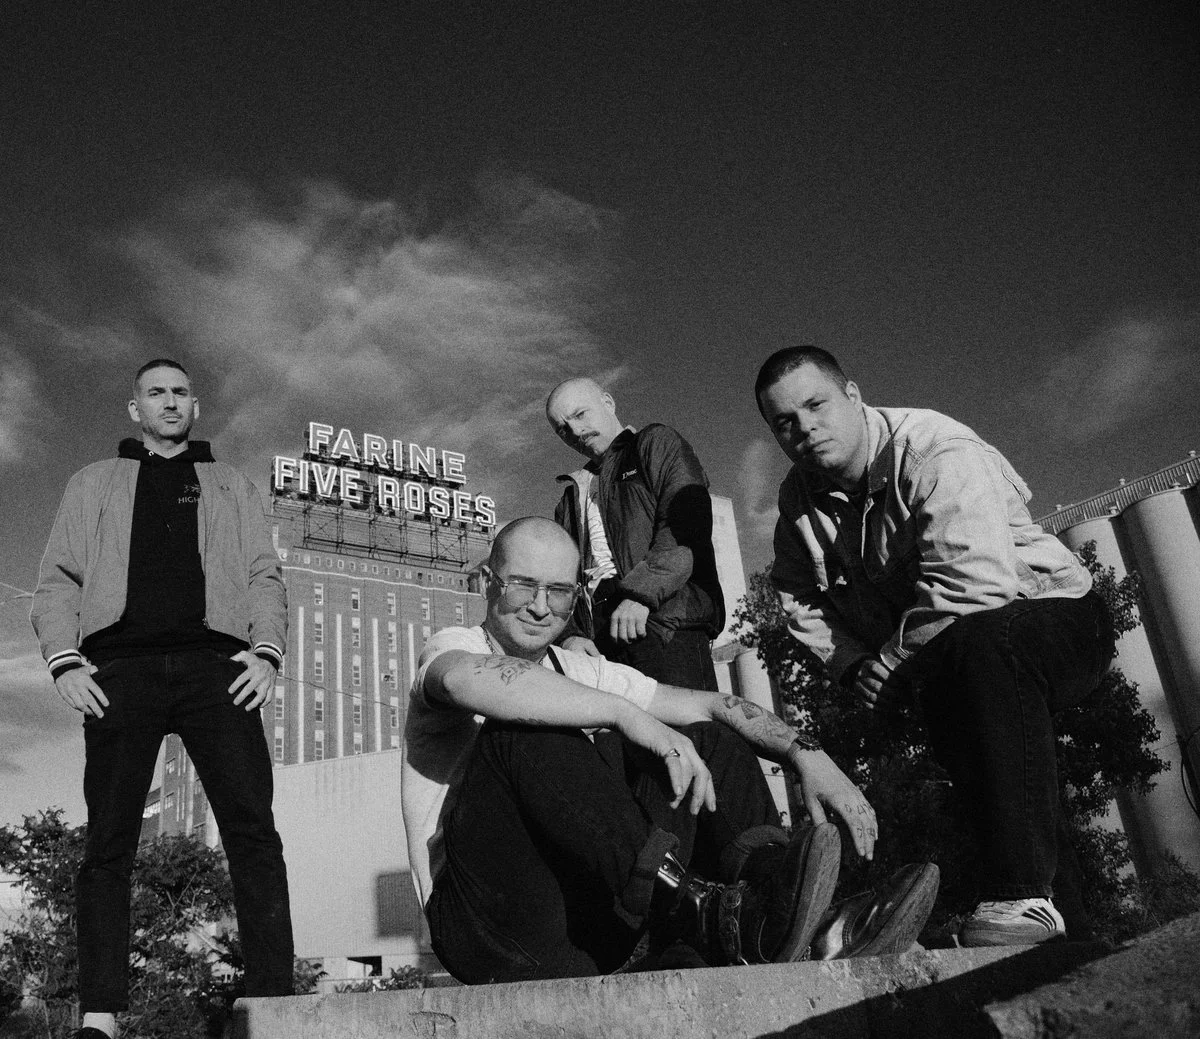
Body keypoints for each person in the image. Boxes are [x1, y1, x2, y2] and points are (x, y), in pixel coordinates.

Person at [401, 516, 939, 983]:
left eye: (559, 591)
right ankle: (704, 912)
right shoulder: (453, 647)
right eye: (522, 585)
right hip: (487, 928)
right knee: (524, 726)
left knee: (705, 737)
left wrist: (806, 754)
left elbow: (715, 706)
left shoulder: (581, 669)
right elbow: (464, 681)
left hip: (587, 924)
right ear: (488, 583)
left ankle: (779, 909)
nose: (541, 607)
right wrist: (626, 715)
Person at [755, 346, 1114, 947]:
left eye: (815, 405)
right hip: (942, 656)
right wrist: (854, 667)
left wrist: (891, 663)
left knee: (986, 648)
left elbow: (976, 585)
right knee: (984, 760)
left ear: (852, 395)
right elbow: (797, 597)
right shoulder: (798, 501)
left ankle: (1019, 893)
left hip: (1056, 618)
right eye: (784, 423)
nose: (804, 429)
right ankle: (1062, 931)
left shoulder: (934, 448)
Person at [30, 360, 294, 1039]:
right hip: (121, 670)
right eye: (156, 393)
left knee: (253, 832)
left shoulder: (231, 484)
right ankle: (100, 1016)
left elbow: (265, 575)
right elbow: (58, 579)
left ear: (195, 405)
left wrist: (267, 652)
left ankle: (274, 1003)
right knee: (108, 841)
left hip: (218, 668)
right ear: (135, 408)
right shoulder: (93, 482)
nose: (170, 402)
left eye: (180, 392)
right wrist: (64, 661)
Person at [546, 378, 724, 690]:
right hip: (599, 642)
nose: (575, 431)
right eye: (562, 429)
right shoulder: (569, 499)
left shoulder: (654, 443)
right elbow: (559, 577)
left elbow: (685, 522)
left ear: (608, 402)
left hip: (662, 621)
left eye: (580, 414)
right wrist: (570, 635)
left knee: (685, 721)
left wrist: (641, 595)